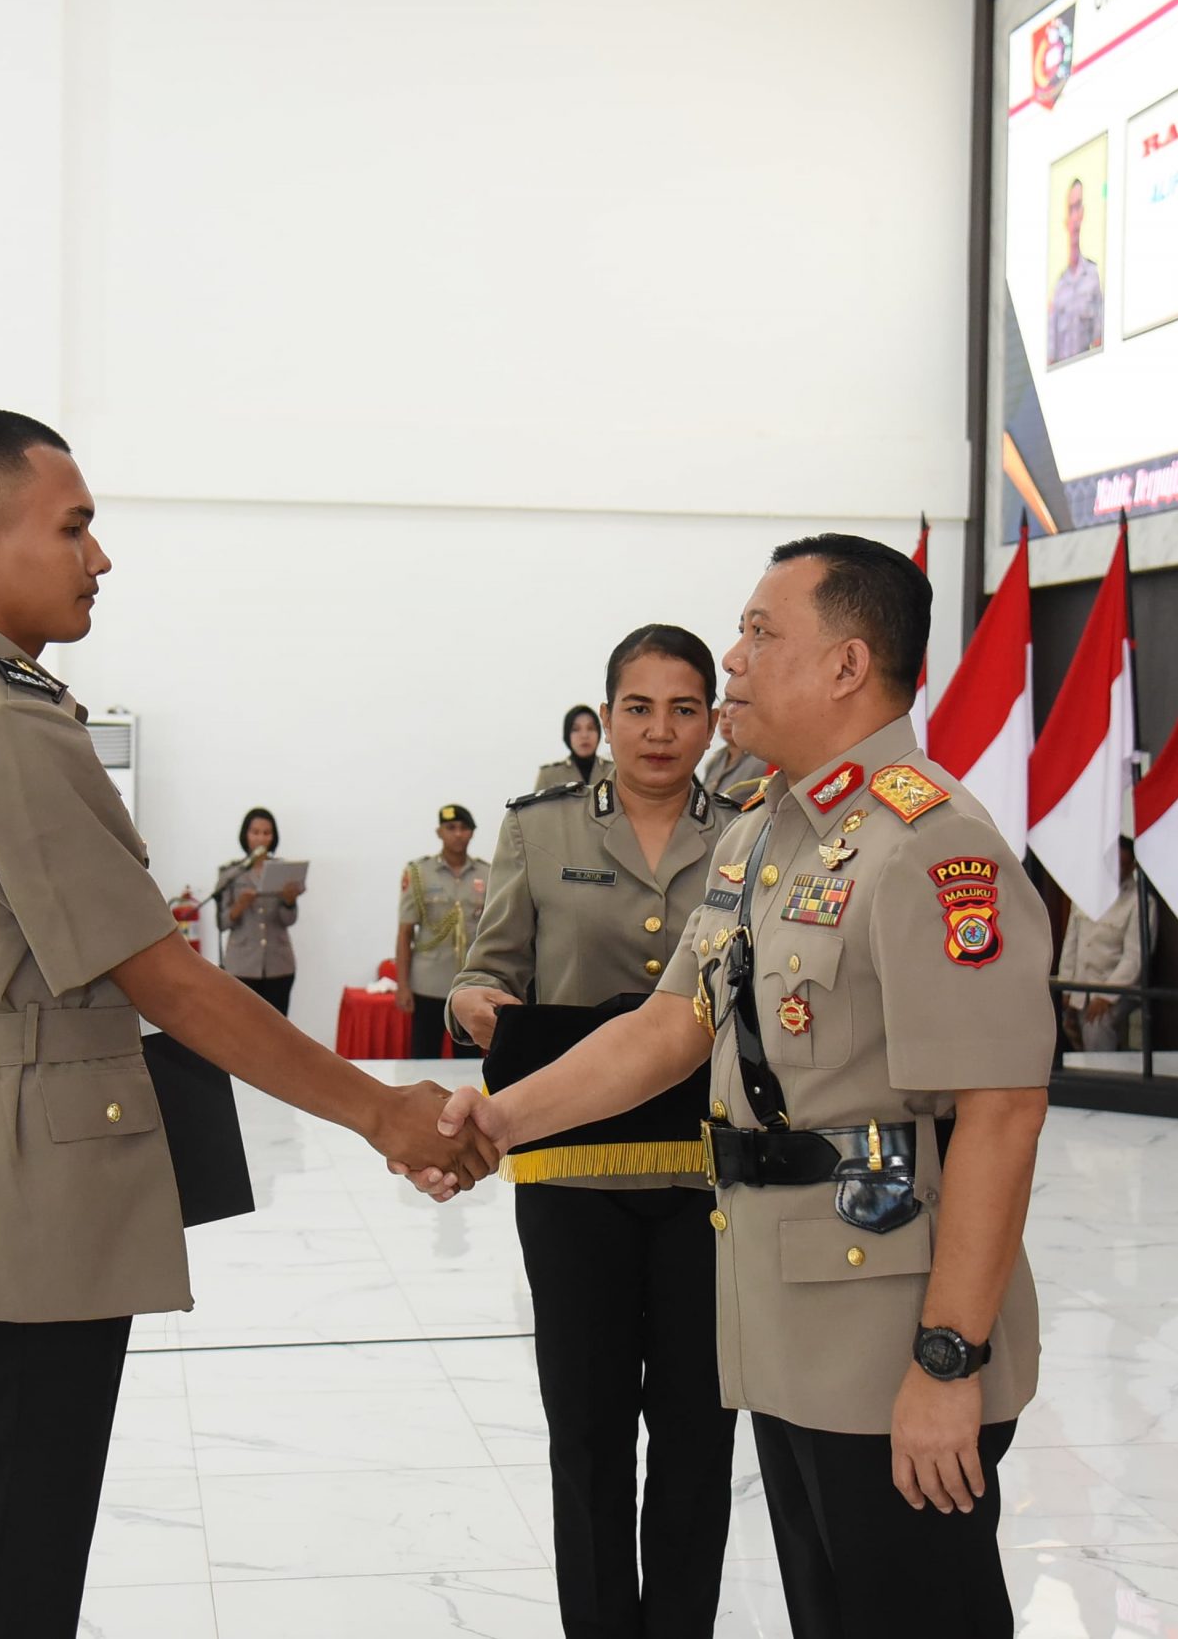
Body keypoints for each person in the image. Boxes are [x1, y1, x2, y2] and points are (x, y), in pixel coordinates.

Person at [0, 406, 494, 1635]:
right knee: (7, 1593)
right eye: (75, 527)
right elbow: (167, 979)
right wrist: (381, 1111)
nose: (99, 556)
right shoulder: (3, 725)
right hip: (28, 1209)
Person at [408, 533, 1054, 1638]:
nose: (735, 657)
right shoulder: (763, 835)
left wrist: (949, 1360)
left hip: (892, 1326)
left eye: (760, 632)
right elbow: (670, 1026)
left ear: (846, 665)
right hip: (783, 1316)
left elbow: (1002, 1111)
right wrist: (497, 1118)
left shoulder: (930, 844)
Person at [448, 624, 738, 1639]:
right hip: (570, 1170)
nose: (660, 731)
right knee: (586, 1430)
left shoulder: (751, 830)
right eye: (638, 708)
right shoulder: (540, 828)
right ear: (604, 717)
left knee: (700, 1432)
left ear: (712, 720)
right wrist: (474, 1004)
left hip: (712, 1174)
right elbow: (486, 967)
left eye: (684, 708)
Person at [394, 805, 490, 1059]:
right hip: (429, 982)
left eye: (464, 828)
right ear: (439, 832)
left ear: (472, 833)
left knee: (468, 1061)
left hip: (469, 983)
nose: (458, 834)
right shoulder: (419, 873)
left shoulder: (488, 873)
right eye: (451, 828)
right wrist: (403, 985)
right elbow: (405, 933)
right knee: (424, 1057)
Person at [1052, 838, 1146, 1055]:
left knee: (1096, 1025)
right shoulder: (1085, 895)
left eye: (1122, 865)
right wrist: (1066, 987)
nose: (1116, 870)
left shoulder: (1138, 902)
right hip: (1081, 985)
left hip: (1117, 988)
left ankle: (1100, 1074)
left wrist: (1106, 996)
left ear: (1132, 867)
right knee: (1059, 1024)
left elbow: (1134, 958)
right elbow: (1072, 944)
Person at [216, 806, 303, 1015]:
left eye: (266, 833)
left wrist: (289, 902)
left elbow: (289, 920)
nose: (261, 838)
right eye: (255, 832)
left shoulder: (282, 871)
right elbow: (222, 923)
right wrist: (240, 905)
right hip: (242, 966)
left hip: (279, 965)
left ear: (273, 837)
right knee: (242, 1027)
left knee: (277, 1027)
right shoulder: (231, 873)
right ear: (245, 835)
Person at [1048, 176, 1103, 366]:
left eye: (1078, 207)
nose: (1074, 216)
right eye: (1070, 209)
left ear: (1083, 213)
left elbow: (1099, 341)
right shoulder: (1058, 288)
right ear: (1065, 219)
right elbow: (1050, 356)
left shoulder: (1093, 277)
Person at [699, 699, 769, 801]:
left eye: (733, 716)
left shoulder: (763, 760)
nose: (727, 722)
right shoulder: (715, 761)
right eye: (723, 716)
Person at [535, 703, 613, 791]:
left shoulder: (614, 770)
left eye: (591, 728)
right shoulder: (549, 775)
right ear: (567, 735)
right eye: (576, 729)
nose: (584, 735)